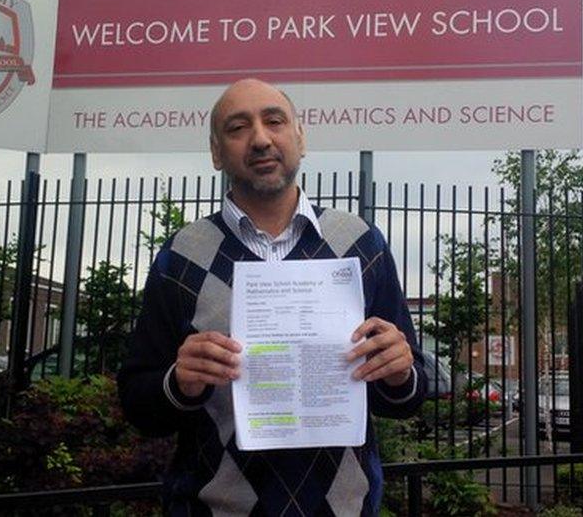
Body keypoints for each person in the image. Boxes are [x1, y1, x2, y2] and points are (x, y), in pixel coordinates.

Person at [118, 78, 426, 516]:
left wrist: (399, 372)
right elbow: (138, 403)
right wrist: (179, 382)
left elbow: (406, 397)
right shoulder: (183, 255)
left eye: (274, 121)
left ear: (300, 138)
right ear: (216, 152)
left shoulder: (360, 244)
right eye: (238, 127)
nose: (260, 139)